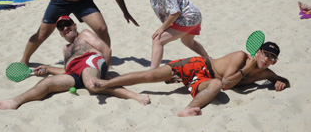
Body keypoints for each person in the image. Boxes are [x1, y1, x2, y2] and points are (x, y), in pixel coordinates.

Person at [0, 16, 150, 110]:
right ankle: (14, 101)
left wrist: (105, 71)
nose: (65, 28)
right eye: (61, 27)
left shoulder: (84, 35)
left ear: (75, 25)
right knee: (47, 83)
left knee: (91, 82)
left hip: (91, 62)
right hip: (76, 74)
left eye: (67, 24)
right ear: (60, 33)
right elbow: (67, 72)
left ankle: (134, 96)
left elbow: (106, 49)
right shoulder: (65, 49)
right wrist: (48, 69)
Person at [91, 42, 289, 117]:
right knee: (150, 76)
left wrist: (281, 82)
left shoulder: (266, 74)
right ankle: (105, 83)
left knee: (216, 84)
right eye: (264, 54)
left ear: (274, 62)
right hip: (199, 65)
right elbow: (229, 83)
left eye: (271, 58)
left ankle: (187, 109)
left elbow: (283, 80)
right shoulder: (240, 57)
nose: (266, 59)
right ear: (257, 52)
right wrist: (246, 70)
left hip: (207, 80)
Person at [102, 0, 208, 69]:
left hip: (187, 17)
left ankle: (153, 71)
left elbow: (175, 12)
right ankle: (209, 60)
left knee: (157, 40)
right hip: (194, 14)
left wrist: (162, 28)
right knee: (188, 42)